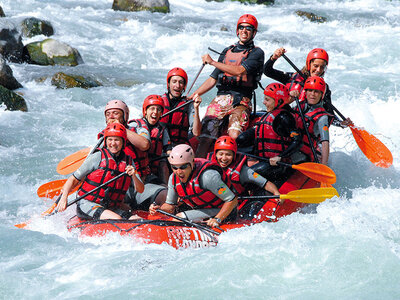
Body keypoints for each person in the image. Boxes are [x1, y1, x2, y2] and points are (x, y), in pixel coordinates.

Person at [191, 14, 264, 157]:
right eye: (241, 27)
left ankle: (230, 167)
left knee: (234, 135)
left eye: (248, 28)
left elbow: (239, 71)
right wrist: (193, 95)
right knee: (206, 135)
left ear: (254, 33)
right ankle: (198, 167)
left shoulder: (257, 53)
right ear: (237, 31)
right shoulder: (227, 51)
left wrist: (212, 62)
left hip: (242, 100)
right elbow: (212, 79)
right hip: (221, 99)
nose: (244, 31)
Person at [57, 123, 144, 220]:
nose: (113, 143)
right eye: (110, 140)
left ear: (123, 142)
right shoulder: (97, 157)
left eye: (117, 140)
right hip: (88, 204)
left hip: (111, 207)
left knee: (136, 219)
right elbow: (72, 180)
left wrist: (134, 175)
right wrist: (64, 198)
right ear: (106, 141)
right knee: (117, 219)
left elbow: (140, 189)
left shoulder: (129, 161)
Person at [149, 144, 238, 228]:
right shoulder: (173, 178)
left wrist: (217, 219)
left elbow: (232, 200)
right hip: (202, 210)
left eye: (183, 167)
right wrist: (158, 210)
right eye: (174, 167)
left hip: (224, 212)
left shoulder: (208, 177)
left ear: (192, 163)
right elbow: (170, 206)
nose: (178, 172)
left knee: (179, 218)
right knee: (177, 216)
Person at [236, 83, 304, 184]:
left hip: (278, 165)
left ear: (279, 101)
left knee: (244, 175)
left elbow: (298, 141)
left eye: (267, 100)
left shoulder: (284, 118)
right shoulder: (268, 115)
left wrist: (280, 156)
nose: (263, 102)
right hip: (264, 160)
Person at [210, 135, 280, 197]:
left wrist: (276, 193)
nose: (224, 158)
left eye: (228, 155)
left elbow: (265, 183)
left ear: (234, 156)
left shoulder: (243, 171)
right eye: (221, 154)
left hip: (236, 205)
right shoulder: (207, 167)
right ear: (215, 154)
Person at [100, 99, 151, 179]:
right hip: (118, 182)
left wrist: (121, 128)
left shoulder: (138, 128)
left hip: (141, 179)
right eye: (108, 114)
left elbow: (145, 145)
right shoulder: (103, 136)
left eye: (115, 113)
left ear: (125, 116)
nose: (111, 117)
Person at [295, 76, 333, 165]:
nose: (312, 94)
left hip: (304, 155)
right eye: (310, 90)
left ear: (321, 95)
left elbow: (325, 142)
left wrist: (324, 165)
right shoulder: (298, 106)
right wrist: (291, 97)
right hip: (291, 147)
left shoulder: (322, 117)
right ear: (305, 92)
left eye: (316, 92)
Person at [159, 67, 202, 146]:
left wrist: (196, 108)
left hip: (178, 147)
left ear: (184, 86)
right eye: (174, 82)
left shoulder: (188, 104)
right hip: (160, 145)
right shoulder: (159, 102)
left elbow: (196, 132)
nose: (177, 85)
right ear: (168, 84)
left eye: (181, 82)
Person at [141, 94, 172, 184]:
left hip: (155, 164)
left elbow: (168, 149)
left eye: (158, 109)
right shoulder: (137, 126)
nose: (155, 112)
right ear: (145, 111)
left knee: (163, 162)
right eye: (152, 108)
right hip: (140, 165)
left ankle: (165, 187)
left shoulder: (162, 129)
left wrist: (176, 164)